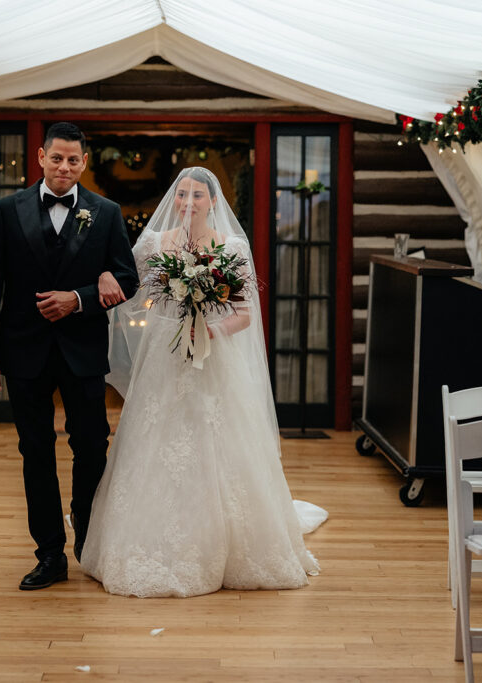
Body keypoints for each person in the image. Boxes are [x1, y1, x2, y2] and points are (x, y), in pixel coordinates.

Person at [81, 167, 324, 598]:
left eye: (198, 195)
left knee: (219, 439)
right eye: (183, 195)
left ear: (214, 201)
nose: (189, 202)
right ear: (174, 200)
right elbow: (129, 284)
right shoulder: (156, 243)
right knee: (156, 437)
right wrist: (110, 281)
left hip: (214, 359)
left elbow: (246, 314)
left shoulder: (231, 247)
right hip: (165, 356)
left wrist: (210, 329)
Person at [0, 122, 139, 590]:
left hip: (83, 351)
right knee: (35, 451)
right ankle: (49, 554)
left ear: (83, 163)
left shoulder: (105, 213)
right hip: (23, 350)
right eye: (57, 158)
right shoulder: (9, 210)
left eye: (73, 160)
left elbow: (128, 277)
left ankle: (89, 540)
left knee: (91, 446)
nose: (64, 166)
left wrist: (80, 297)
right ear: (41, 157)